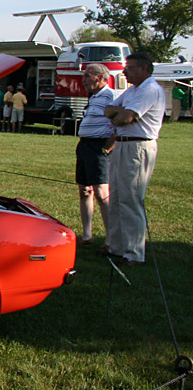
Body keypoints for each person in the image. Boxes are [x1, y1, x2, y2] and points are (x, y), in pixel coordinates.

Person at [102, 52, 166, 266]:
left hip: (138, 146)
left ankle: (134, 252)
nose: (124, 72)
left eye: (129, 68)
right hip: (121, 144)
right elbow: (108, 110)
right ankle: (117, 246)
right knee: (117, 196)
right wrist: (120, 112)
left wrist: (120, 113)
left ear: (144, 69)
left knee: (131, 198)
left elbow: (124, 117)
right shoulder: (132, 90)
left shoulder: (150, 89)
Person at [74, 64, 116, 245]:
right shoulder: (93, 97)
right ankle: (87, 235)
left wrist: (108, 146)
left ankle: (111, 238)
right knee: (85, 190)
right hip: (85, 145)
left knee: (101, 191)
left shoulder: (111, 96)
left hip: (99, 147)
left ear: (98, 78)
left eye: (86, 76)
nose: (83, 80)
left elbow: (120, 122)